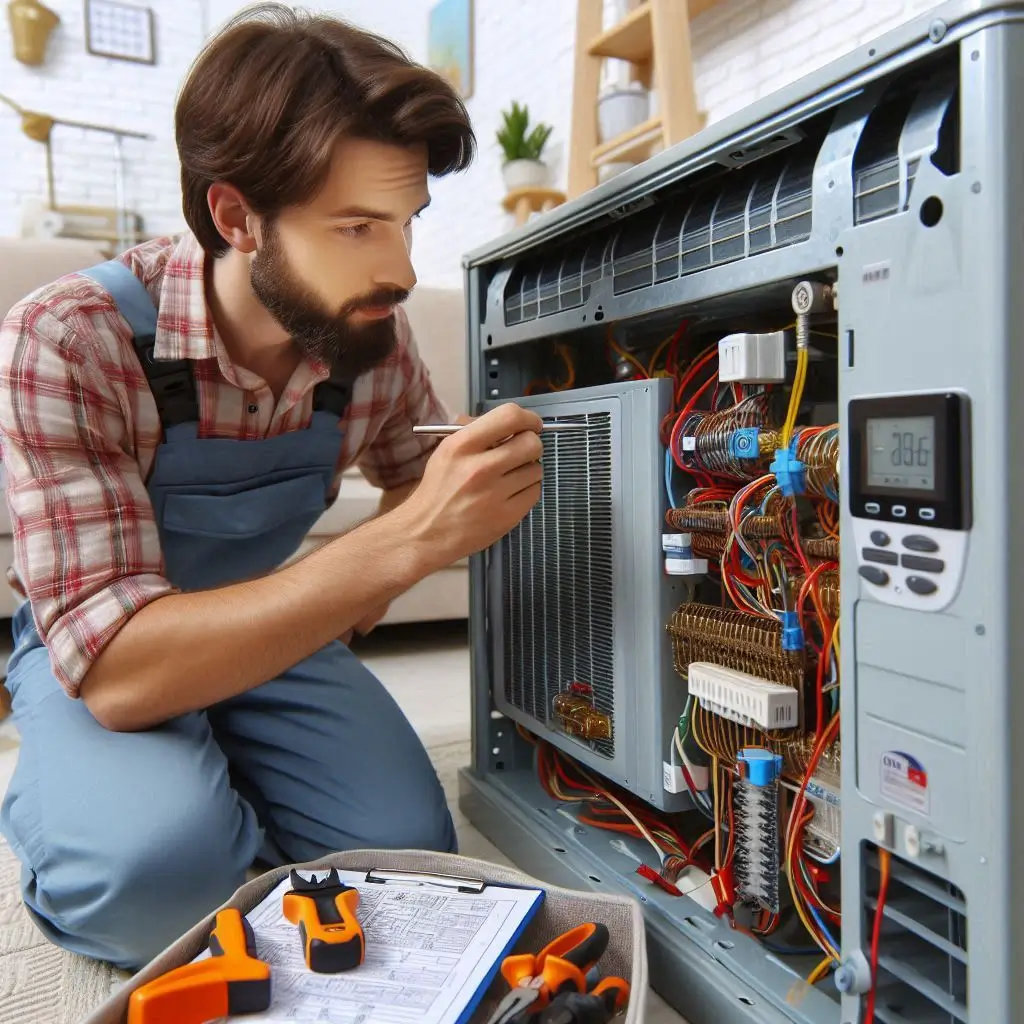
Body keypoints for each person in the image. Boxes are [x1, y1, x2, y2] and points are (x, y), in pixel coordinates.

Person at [0, 4, 543, 970]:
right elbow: (121, 675)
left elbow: (427, 478)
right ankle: (124, 813)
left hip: (272, 631)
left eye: (408, 222)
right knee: (155, 882)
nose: (402, 268)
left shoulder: (364, 335)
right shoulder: (68, 339)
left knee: (408, 859)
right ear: (235, 216)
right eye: (356, 226)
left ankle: (212, 791)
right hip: (103, 652)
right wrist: (401, 548)